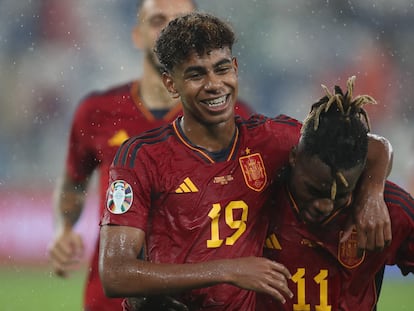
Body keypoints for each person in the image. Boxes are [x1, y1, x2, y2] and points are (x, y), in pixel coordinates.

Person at [99, 12, 393, 311]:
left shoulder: (272, 140)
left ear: (235, 69)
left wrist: (372, 195)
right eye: (196, 74)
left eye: (222, 69)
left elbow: (368, 145)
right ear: (171, 83)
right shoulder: (142, 157)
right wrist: (229, 269)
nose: (214, 84)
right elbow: (115, 274)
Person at [48, 1, 254, 310]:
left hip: (195, 299)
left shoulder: (235, 115)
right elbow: (74, 181)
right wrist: (64, 230)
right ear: (137, 35)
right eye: (158, 20)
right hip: (112, 298)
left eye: (181, 20)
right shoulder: (97, 112)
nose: (170, 29)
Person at [257, 76, 414, 311]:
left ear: (361, 174)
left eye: (340, 195)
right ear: (293, 157)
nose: (324, 206)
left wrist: (372, 193)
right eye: (313, 189)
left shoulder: (389, 211)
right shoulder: (259, 186)